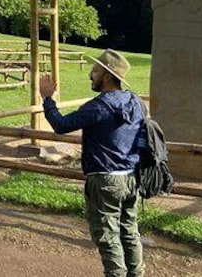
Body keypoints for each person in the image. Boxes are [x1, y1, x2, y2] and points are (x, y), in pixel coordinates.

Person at [40, 49, 145, 277]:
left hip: (105, 179)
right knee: (129, 232)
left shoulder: (99, 106)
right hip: (132, 178)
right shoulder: (135, 101)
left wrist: (48, 99)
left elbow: (61, 124)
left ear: (107, 76)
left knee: (108, 238)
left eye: (95, 70)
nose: (90, 75)